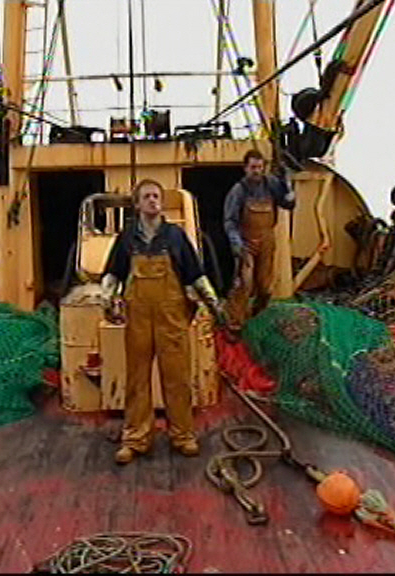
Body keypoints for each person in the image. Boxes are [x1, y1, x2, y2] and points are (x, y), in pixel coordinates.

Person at [100, 179, 225, 465]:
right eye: (146, 196)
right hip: (138, 318)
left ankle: (183, 436)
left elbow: (195, 274)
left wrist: (214, 303)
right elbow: (113, 274)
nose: (153, 200)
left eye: (156, 196)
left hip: (172, 318)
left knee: (178, 378)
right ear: (137, 204)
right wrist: (106, 300)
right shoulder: (127, 238)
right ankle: (135, 439)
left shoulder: (176, 236)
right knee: (137, 380)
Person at [223, 149, 296, 330]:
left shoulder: (271, 184)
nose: (256, 171)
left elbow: (288, 204)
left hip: (267, 241)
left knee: (265, 286)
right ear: (245, 168)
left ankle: (257, 316)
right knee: (244, 284)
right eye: (253, 167)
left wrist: (288, 184)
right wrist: (237, 244)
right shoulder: (238, 190)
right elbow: (229, 221)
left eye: (260, 167)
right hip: (246, 243)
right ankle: (234, 323)